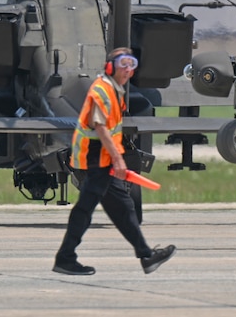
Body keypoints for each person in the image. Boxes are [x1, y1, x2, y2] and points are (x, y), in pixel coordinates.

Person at [53, 47, 175, 276]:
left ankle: (145, 256)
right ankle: (66, 258)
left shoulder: (113, 90)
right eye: (123, 64)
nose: (128, 70)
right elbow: (100, 128)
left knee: (121, 209)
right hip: (97, 159)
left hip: (103, 159)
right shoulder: (101, 91)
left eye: (132, 64)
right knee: (88, 210)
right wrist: (118, 160)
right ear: (110, 67)